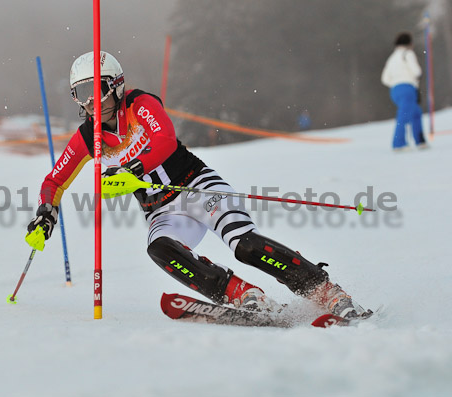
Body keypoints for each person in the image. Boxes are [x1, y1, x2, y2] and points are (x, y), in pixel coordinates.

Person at [27, 51, 368, 319]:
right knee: (160, 249)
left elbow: (164, 140)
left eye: (96, 90)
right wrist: (46, 212)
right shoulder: (89, 136)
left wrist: (133, 169)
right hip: (160, 210)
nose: (90, 102)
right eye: (81, 94)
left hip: (195, 188)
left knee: (243, 244)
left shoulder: (139, 105)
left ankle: (324, 291)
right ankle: (241, 294)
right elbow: (55, 180)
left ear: (115, 84)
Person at [381, 32, 427, 150]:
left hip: (395, 90)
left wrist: (396, 83)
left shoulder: (391, 58)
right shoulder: (408, 53)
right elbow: (416, 71)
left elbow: (385, 79)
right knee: (404, 115)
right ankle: (399, 143)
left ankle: (420, 141)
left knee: (415, 112)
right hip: (407, 88)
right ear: (409, 43)